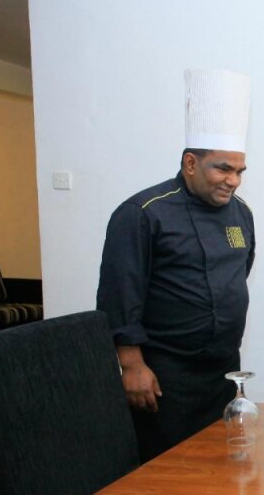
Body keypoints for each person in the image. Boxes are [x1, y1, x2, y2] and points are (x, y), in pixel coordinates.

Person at [97, 69, 255, 462]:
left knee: (222, 466)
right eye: (223, 169)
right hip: (165, 376)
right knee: (168, 473)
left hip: (223, 372)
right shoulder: (143, 213)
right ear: (190, 163)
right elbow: (120, 295)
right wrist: (131, 365)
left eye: (239, 171)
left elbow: (239, 273)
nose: (233, 180)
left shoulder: (241, 213)